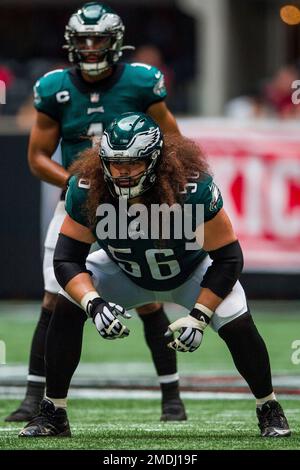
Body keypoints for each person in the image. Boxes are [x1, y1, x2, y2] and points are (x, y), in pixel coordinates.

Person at [19, 112, 291, 438]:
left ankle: (269, 406)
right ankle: (53, 412)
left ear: (155, 161)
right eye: (115, 162)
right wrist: (94, 304)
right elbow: (67, 259)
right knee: (67, 304)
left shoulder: (192, 188)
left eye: (133, 163)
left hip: (190, 271)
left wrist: (200, 316)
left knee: (237, 319)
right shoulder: (87, 187)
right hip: (124, 270)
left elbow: (228, 259)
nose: (122, 172)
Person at [6, 2, 184, 423]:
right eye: (82, 40)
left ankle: (172, 398)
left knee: (148, 300)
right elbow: (36, 157)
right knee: (54, 299)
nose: (89, 47)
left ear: (115, 42)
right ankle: (35, 399)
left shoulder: (141, 82)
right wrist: (78, 184)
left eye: (97, 39)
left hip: (132, 205)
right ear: (70, 43)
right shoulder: (55, 88)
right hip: (79, 207)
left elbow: (174, 143)